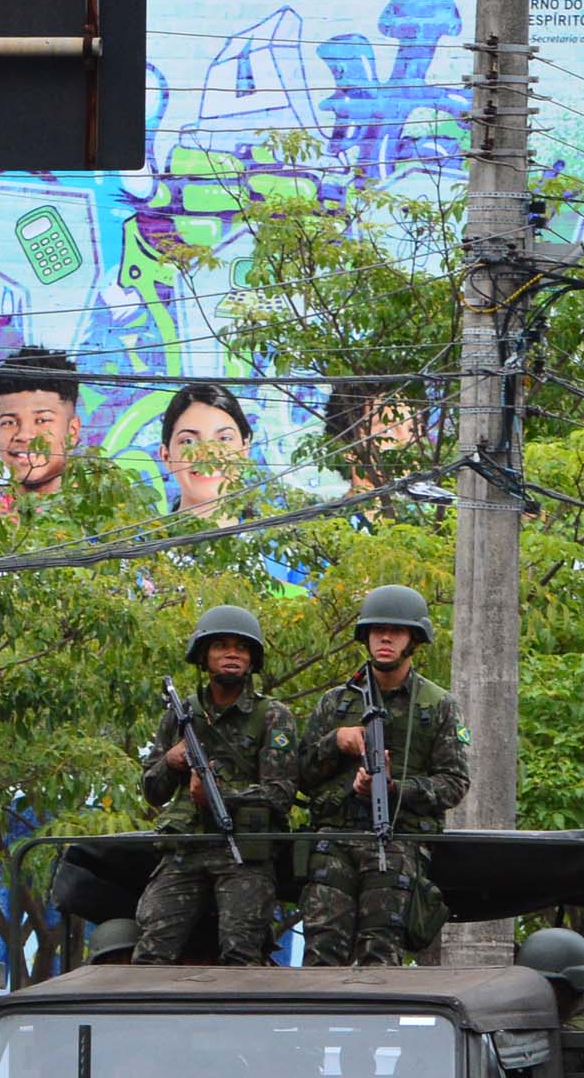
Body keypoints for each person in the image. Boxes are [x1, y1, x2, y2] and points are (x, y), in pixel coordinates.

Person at [294, 584, 468, 966]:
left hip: (397, 841)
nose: (385, 638)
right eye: (377, 631)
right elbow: (298, 776)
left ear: (414, 641)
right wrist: (334, 742)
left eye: (396, 631)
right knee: (321, 955)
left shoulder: (436, 705)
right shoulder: (336, 702)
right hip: (336, 839)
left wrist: (394, 788)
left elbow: (454, 783)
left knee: (381, 957)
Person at [135, 603, 298, 965]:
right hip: (186, 847)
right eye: (221, 646)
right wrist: (171, 762)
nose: (231, 655)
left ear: (252, 659)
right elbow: (151, 790)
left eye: (240, 648)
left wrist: (221, 797)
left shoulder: (272, 716)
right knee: (151, 951)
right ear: (204, 656)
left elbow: (279, 794)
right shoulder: (181, 714)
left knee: (241, 954)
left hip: (244, 852)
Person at [0, 345, 82, 513]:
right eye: (9, 422)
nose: (24, 435)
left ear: (72, 431)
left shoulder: (105, 522)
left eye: (42, 420)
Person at [157, 382, 255, 519]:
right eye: (189, 441)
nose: (208, 455)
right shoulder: (142, 539)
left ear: (245, 450)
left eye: (224, 438)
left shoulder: (285, 537)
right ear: (166, 456)